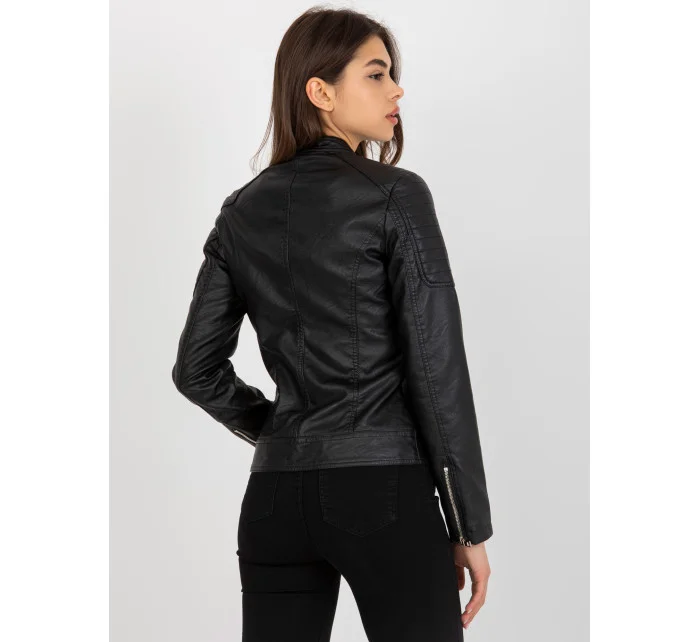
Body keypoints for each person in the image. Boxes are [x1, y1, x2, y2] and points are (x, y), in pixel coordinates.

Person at [171, 6, 493, 641]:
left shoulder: (240, 212)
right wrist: (468, 524)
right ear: (320, 91)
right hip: (384, 494)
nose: (397, 89)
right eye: (376, 74)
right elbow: (436, 370)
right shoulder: (396, 194)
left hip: (274, 503)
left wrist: (284, 433)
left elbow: (195, 371)